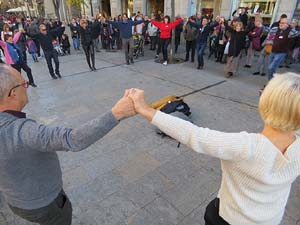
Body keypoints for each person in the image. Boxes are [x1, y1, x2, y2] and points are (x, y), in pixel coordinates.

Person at [128, 72, 300, 225]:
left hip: (230, 219)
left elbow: (194, 135)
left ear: (267, 104)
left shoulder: (246, 146)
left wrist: (145, 109)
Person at [0, 64, 136, 225]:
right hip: (43, 204)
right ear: (13, 94)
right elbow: (73, 139)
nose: (27, 87)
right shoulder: (23, 131)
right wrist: (117, 113)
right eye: (24, 84)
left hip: (15, 201)